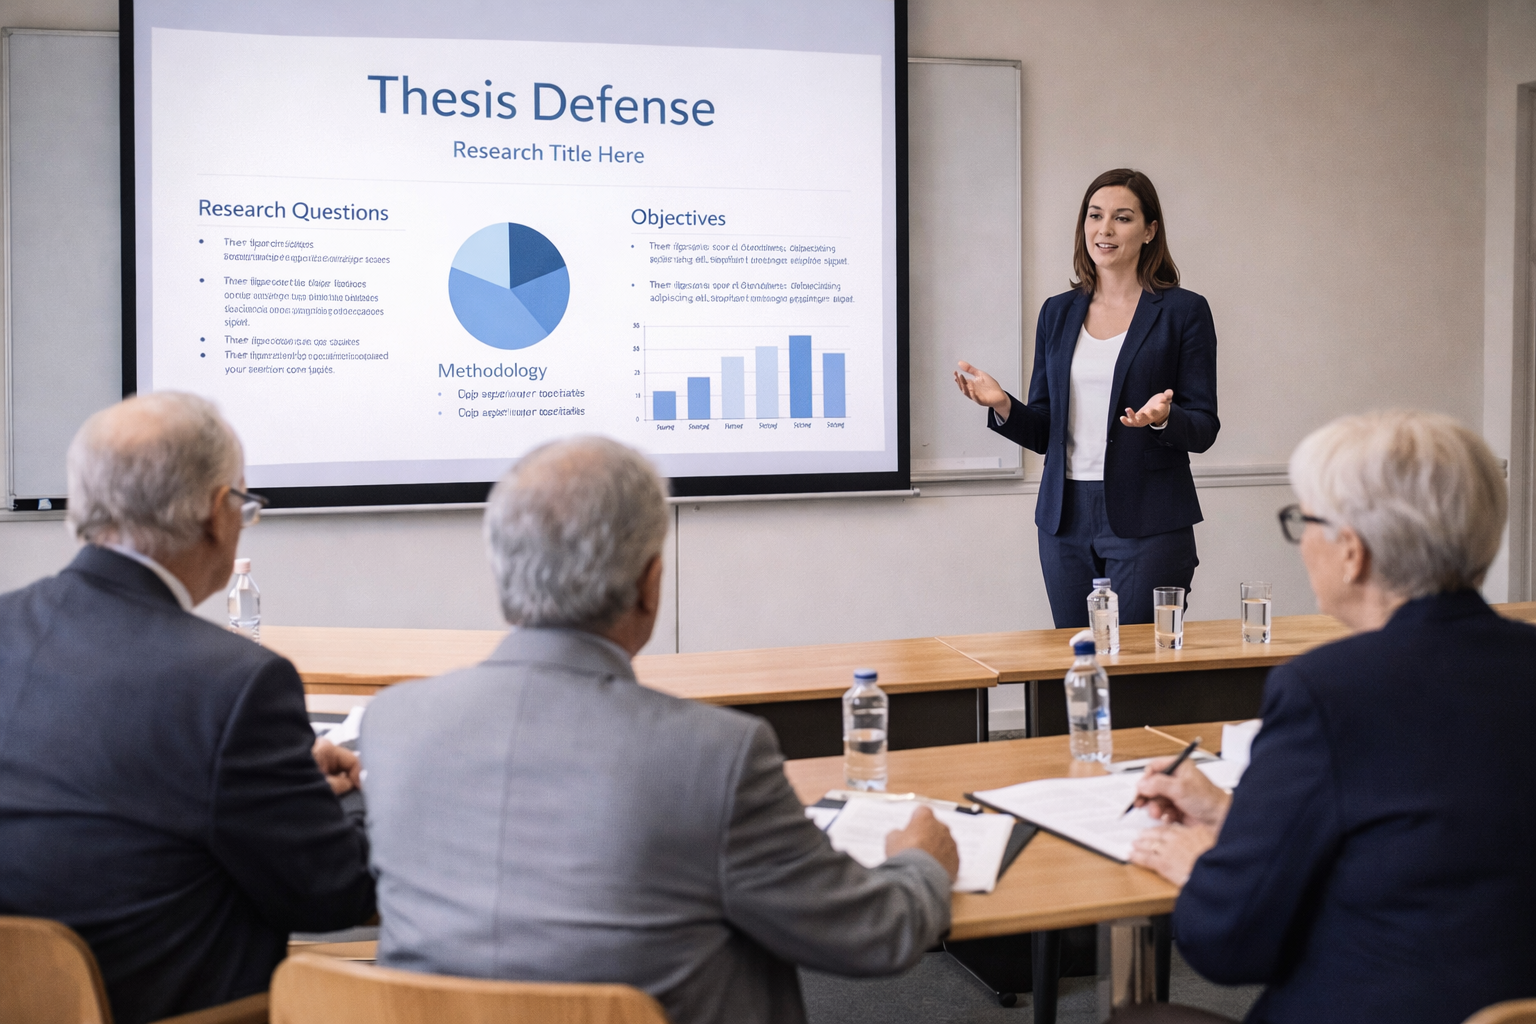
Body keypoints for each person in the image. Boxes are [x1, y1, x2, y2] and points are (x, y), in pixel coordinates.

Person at [361, 437, 959, 1024]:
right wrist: (921, 863)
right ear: (651, 584)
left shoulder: (392, 726)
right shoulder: (714, 755)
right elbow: (873, 935)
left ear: (502, 576)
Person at [1126, 410, 1536, 1024]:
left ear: (1352, 552)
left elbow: (1227, 945)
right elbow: (1423, 838)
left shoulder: (1327, 690)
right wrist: (1237, 819)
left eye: (1304, 520)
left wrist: (1203, 866)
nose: (1303, 542)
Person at [0, 393, 376, 1024]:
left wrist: (275, 781)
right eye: (245, 503)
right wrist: (392, 798)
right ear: (213, 512)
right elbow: (331, 897)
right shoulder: (234, 683)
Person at [955, 168, 1219, 627]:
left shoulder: (1183, 311)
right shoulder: (1058, 312)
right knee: (1077, 664)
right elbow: (1043, 430)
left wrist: (1162, 418)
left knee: (1135, 674)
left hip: (1149, 519)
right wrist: (1002, 404)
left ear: (1150, 230)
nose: (1105, 229)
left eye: (1122, 218)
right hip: (1064, 520)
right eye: (1095, 216)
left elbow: (1204, 427)